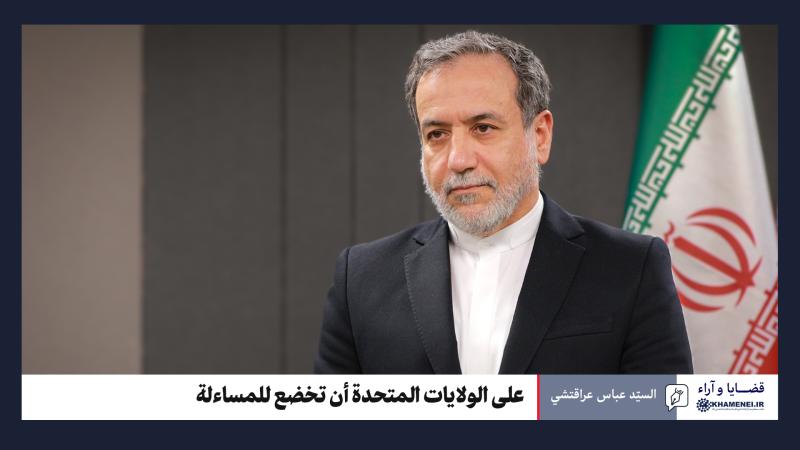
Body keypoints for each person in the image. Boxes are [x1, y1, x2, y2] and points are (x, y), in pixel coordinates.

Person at [314, 30, 693, 374]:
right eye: (437, 134)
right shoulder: (361, 279)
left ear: (540, 136)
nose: (458, 160)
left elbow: (659, 413)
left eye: (483, 128)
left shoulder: (630, 269)